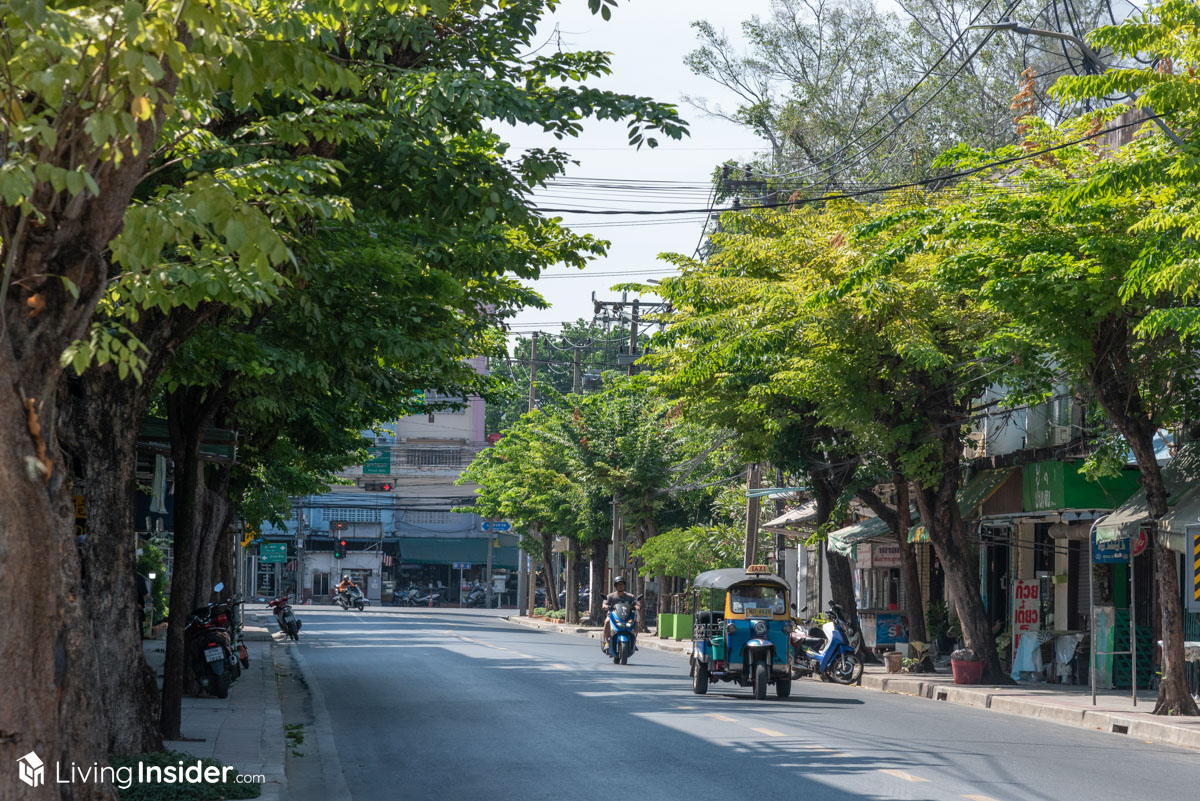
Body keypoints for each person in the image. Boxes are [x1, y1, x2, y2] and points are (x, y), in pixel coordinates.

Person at [601, 577, 639, 654]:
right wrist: (606, 606)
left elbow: (637, 604)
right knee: (607, 621)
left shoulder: (630, 596)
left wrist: (636, 606)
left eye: (622, 584)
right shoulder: (610, 596)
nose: (620, 586)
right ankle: (607, 642)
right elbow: (604, 604)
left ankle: (634, 641)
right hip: (613, 616)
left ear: (624, 586)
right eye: (618, 585)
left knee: (636, 622)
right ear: (615, 586)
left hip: (627, 617)